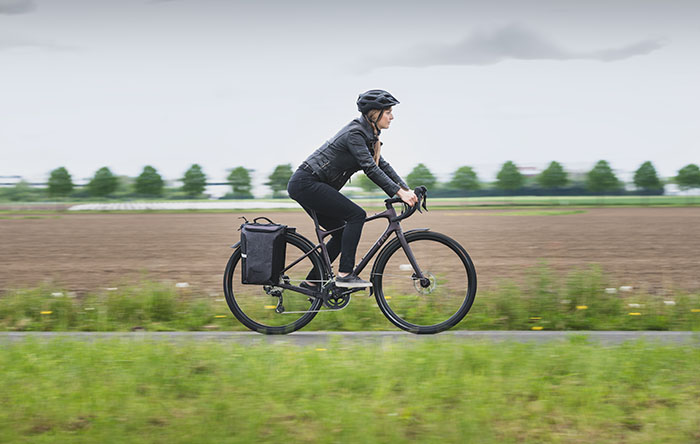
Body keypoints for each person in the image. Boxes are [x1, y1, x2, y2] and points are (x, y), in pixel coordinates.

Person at [287, 89, 418, 289]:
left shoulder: (368, 136)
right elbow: (370, 169)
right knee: (356, 215)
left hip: (313, 185)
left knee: (340, 233)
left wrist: (407, 190)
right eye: (388, 111)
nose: (392, 116)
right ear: (375, 113)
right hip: (307, 183)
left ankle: (312, 282)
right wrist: (399, 193)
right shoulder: (355, 134)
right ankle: (345, 275)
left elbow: (383, 166)